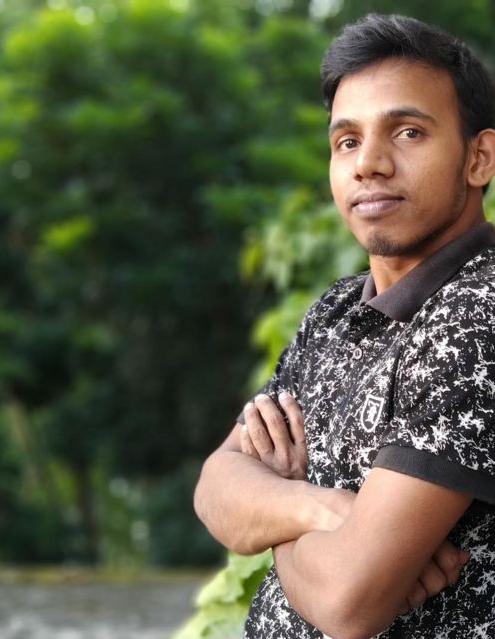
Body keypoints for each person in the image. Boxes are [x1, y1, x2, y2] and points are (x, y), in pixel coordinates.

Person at [194, 13, 495, 639]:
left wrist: (274, 515)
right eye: (347, 141)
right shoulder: (335, 311)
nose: (369, 165)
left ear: (479, 157)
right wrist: (324, 508)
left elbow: (345, 603)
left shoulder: (478, 316)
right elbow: (214, 487)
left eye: (408, 132)